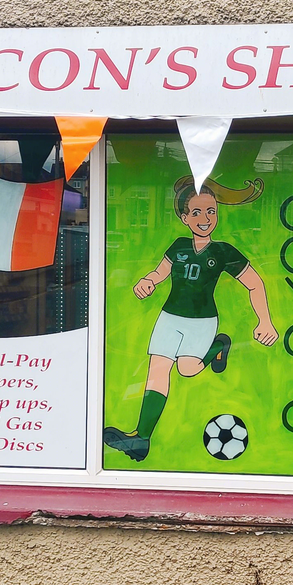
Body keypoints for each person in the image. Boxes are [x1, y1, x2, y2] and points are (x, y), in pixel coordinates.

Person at [104, 175, 278, 462]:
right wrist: (147, 282)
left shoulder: (223, 251)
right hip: (170, 317)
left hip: (202, 321)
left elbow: (255, 283)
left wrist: (265, 321)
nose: (205, 218)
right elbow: (159, 273)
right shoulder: (179, 246)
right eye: (196, 212)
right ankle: (141, 439)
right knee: (158, 370)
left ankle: (218, 346)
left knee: (187, 369)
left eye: (211, 211)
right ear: (184, 218)